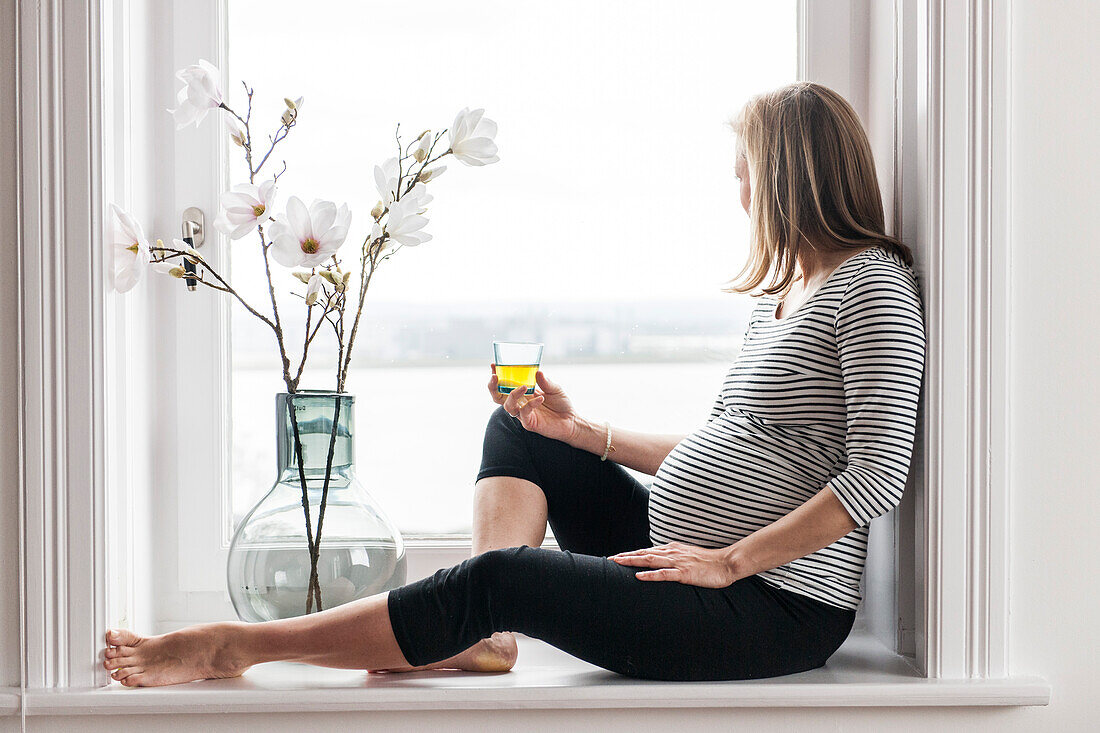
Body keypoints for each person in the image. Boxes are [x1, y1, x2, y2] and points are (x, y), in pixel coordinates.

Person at [101, 81, 926, 687]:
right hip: (683, 559)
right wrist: (581, 434)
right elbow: (727, 445)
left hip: (765, 605)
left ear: (789, 174)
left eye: (746, 168)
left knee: (505, 579)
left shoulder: (872, 284)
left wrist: (730, 562)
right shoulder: (785, 296)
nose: (739, 188)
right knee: (519, 431)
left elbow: (877, 474)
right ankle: (477, 634)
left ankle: (238, 645)